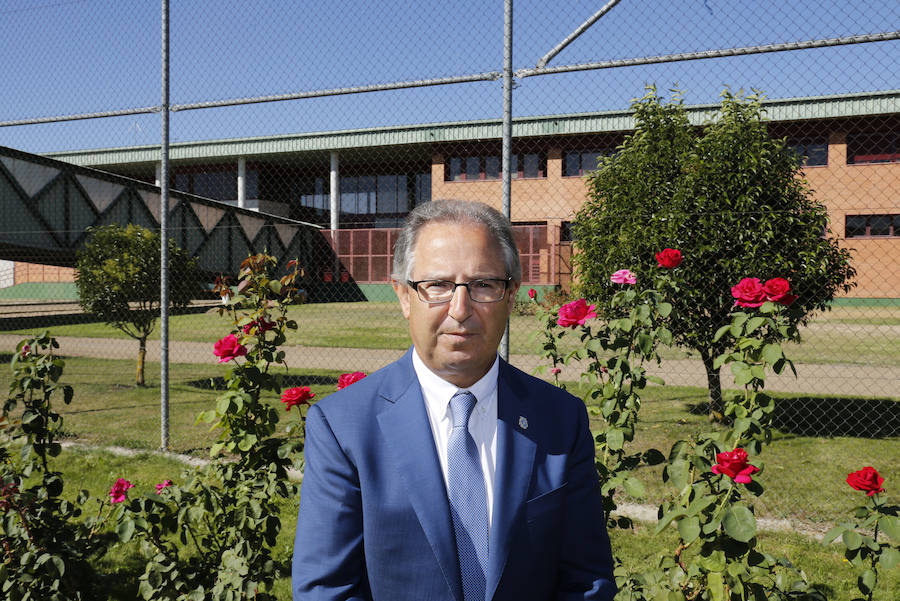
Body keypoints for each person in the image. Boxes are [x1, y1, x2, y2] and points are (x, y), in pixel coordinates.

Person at [292, 200, 616, 601]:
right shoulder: (343, 427)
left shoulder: (560, 420)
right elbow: (327, 590)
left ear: (511, 295)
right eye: (438, 285)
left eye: (483, 285)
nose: (460, 310)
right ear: (404, 296)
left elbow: (586, 581)